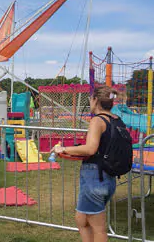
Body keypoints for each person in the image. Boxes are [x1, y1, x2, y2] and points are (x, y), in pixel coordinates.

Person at [51, 86, 118, 242]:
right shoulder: (115, 120)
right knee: (81, 219)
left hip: (94, 178)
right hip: (107, 178)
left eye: (90, 98)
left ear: (95, 100)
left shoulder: (97, 120)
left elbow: (90, 149)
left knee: (99, 228)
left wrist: (64, 148)